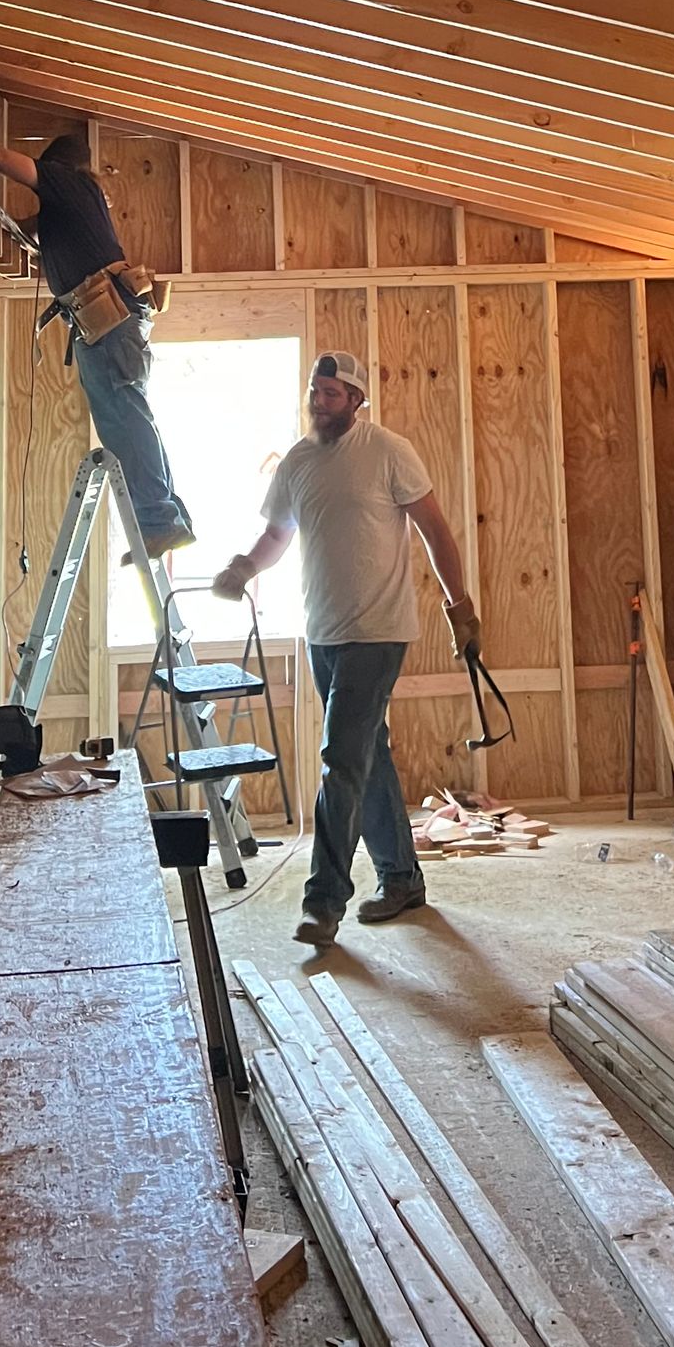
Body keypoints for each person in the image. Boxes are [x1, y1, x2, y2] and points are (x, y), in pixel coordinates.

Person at [211, 351, 479, 949]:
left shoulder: (388, 451)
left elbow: (434, 529)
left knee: (340, 759)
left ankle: (324, 902)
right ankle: (403, 878)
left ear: (357, 400)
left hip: (379, 630)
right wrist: (244, 567)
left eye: (332, 394)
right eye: (315, 391)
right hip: (323, 633)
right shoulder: (299, 461)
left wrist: (459, 605)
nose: (320, 402)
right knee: (367, 755)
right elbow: (278, 533)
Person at [0, 132, 193, 554]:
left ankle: (159, 519)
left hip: (108, 319)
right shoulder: (69, 209)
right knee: (129, 416)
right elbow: (26, 232)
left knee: (125, 418)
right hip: (108, 319)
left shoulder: (72, 184)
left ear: (58, 168)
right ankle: (165, 516)